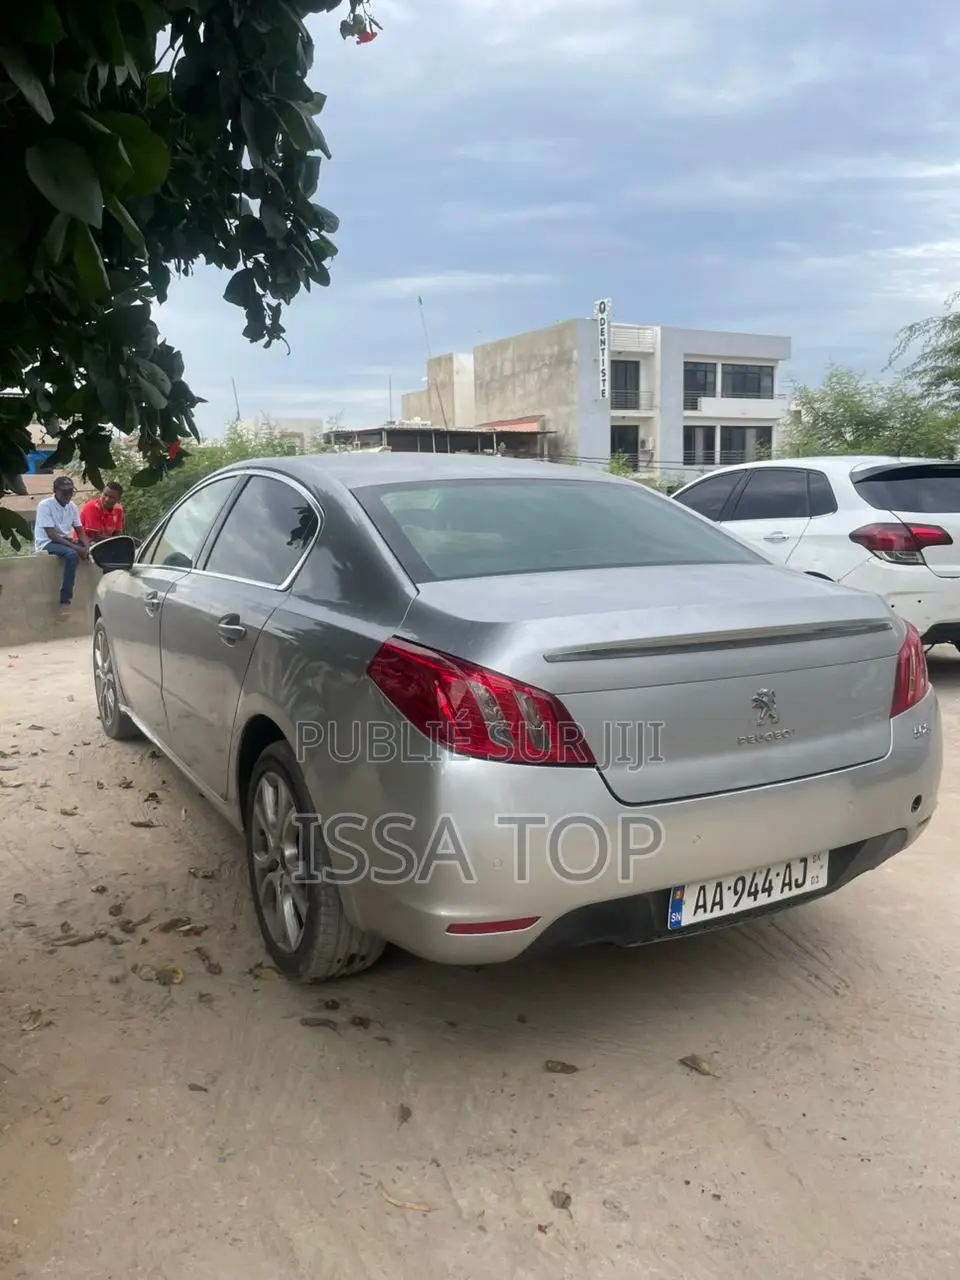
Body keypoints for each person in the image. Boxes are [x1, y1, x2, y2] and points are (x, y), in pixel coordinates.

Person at [34, 477, 90, 615]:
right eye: (65, 492)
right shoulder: (45, 505)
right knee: (71, 555)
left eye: (71, 491)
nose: (69, 495)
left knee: (95, 549)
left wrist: (86, 547)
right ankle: (65, 602)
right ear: (55, 491)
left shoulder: (72, 506)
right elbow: (51, 534)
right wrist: (77, 548)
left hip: (65, 541)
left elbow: (80, 531)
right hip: (47, 542)